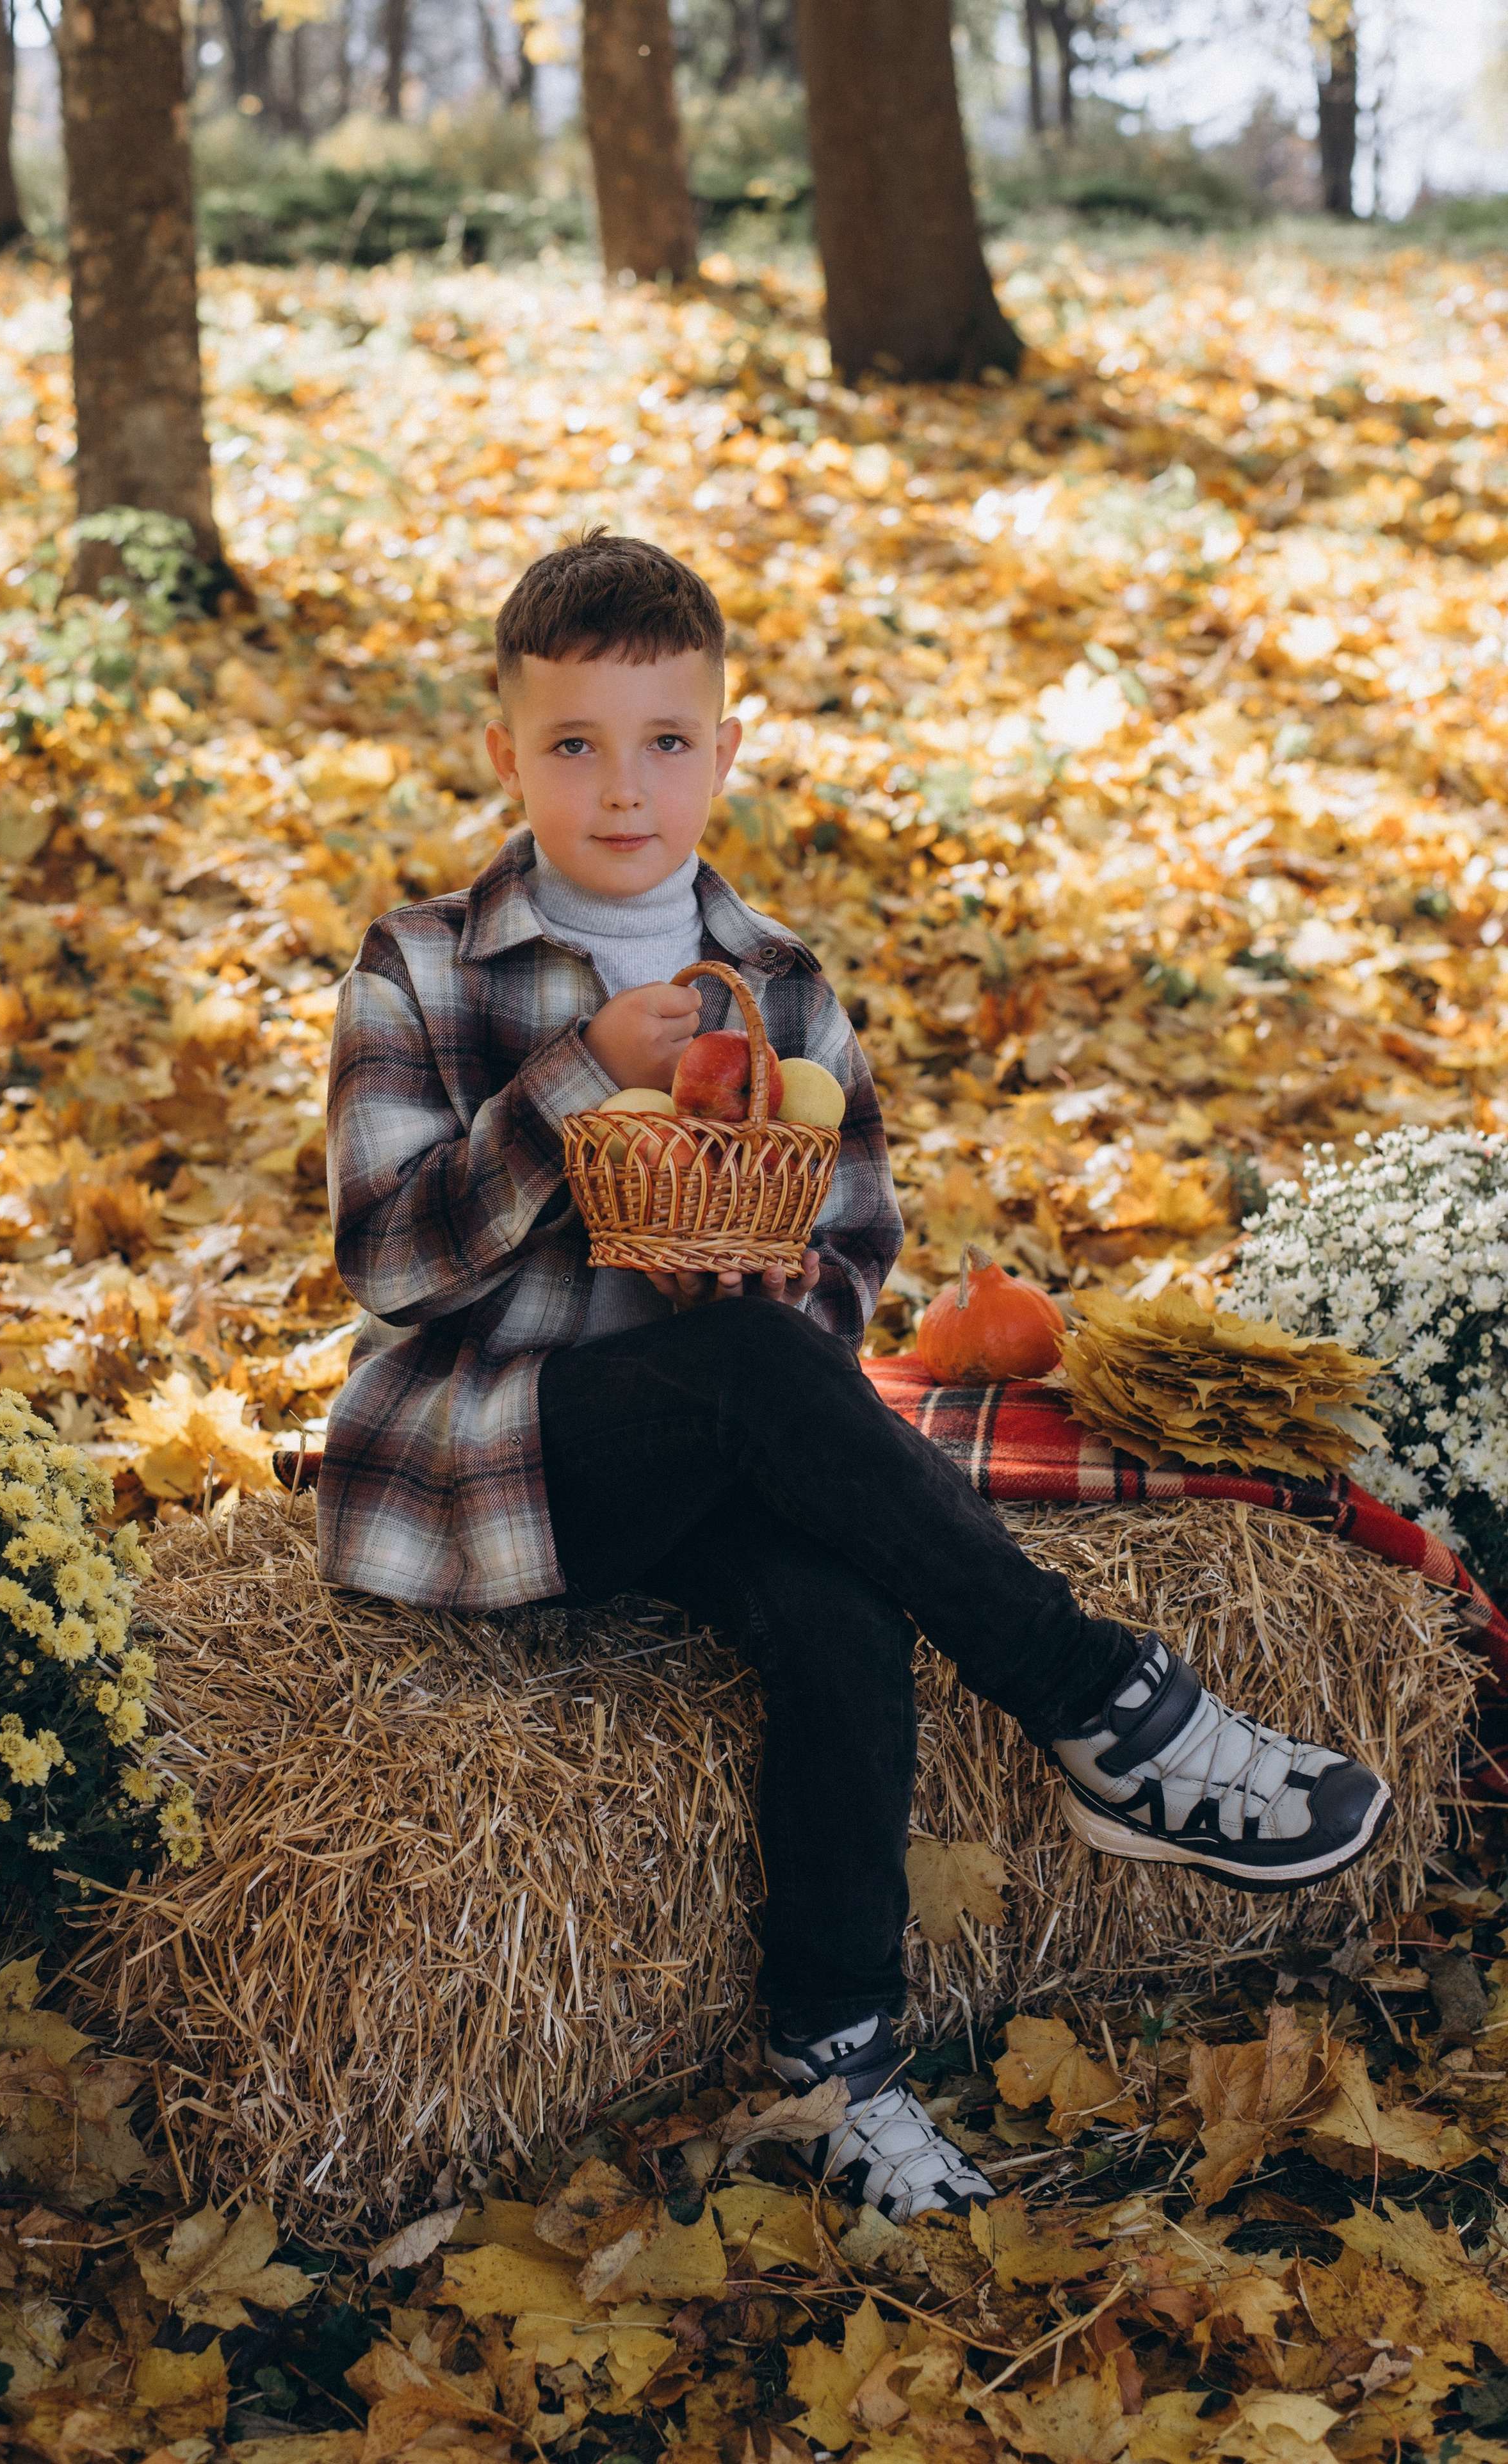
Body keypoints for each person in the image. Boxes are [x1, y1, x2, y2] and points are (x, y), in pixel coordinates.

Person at [321, 532, 1392, 2225]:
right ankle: (1106, 1705)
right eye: (576, 745)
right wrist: (573, 1082)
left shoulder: (791, 987)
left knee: (839, 1607)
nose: (624, 789)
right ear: (505, 753)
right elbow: (385, 1260)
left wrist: (781, 1281)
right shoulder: (424, 965)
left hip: (727, 1453)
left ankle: (836, 2068)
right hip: (511, 1455)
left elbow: (851, 1256)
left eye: (667, 741)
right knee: (745, 1371)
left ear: (726, 750)